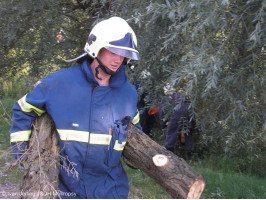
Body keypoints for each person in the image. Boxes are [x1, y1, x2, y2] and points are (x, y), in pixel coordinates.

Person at [10, 16, 141, 199]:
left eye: (124, 53)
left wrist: (142, 160)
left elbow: (135, 134)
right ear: (96, 48)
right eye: (113, 51)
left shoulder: (128, 93)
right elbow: (23, 109)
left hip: (111, 191)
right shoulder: (59, 83)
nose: (118, 59)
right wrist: (25, 157)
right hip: (64, 191)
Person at [159, 91, 196, 156]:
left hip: (178, 112)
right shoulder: (182, 96)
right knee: (188, 131)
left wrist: (163, 125)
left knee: (171, 133)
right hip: (189, 111)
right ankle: (190, 154)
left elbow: (162, 112)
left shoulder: (166, 99)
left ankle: (170, 154)